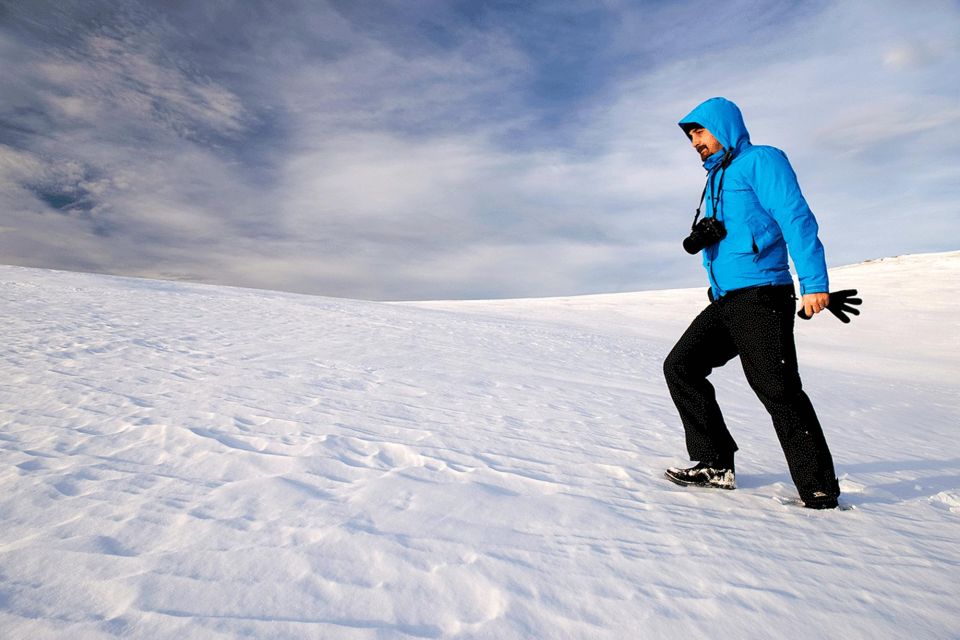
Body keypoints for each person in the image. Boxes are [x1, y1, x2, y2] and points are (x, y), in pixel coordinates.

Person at [662, 96, 841, 509]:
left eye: (700, 132)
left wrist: (814, 282)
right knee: (681, 367)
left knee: (777, 389)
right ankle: (714, 464)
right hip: (727, 299)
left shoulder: (761, 160)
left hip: (763, 293)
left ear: (722, 127)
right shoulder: (714, 180)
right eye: (690, 136)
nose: (694, 142)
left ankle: (818, 488)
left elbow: (795, 217)